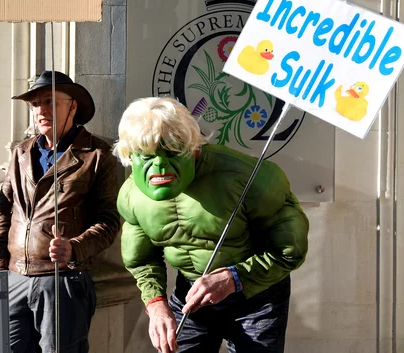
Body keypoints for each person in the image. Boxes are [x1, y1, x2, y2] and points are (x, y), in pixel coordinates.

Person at [113, 97, 309, 353]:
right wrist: (156, 303)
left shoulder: (251, 179)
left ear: (194, 149)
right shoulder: (132, 196)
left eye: (172, 152)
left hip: (257, 297)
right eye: (146, 156)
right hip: (192, 295)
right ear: (129, 156)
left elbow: (290, 250)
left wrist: (234, 278)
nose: (159, 165)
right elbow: (141, 259)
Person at [0, 71, 121, 353]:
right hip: (14, 278)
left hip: (62, 282)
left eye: (49, 101)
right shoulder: (21, 152)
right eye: (35, 103)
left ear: (72, 106)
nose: (41, 110)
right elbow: (5, 211)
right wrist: (0, 266)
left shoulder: (97, 155)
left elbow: (109, 221)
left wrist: (74, 248)